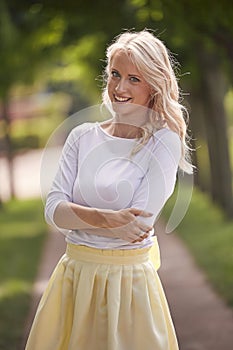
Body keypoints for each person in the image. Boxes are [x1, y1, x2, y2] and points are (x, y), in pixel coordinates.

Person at [25, 29, 193, 350]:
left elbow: (137, 227)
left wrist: (80, 217)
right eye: (115, 74)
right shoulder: (81, 136)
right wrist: (106, 218)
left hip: (126, 285)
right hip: (73, 278)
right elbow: (53, 211)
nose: (119, 87)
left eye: (134, 79)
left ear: (154, 87)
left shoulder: (164, 142)